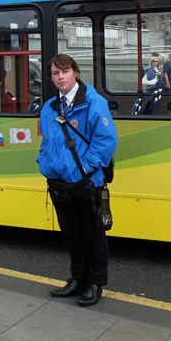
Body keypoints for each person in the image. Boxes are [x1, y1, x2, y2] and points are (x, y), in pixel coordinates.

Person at [37, 53, 118, 307]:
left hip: (87, 183)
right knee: (71, 235)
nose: (60, 77)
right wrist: (45, 164)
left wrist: (83, 168)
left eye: (65, 71)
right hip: (59, 183)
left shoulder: (94, 103)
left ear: (76, 73)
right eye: (55, 73)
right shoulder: (50, 106)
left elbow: (106, 141)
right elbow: (47, 142)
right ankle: (77, 279)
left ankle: (95, 284)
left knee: (93, 235)